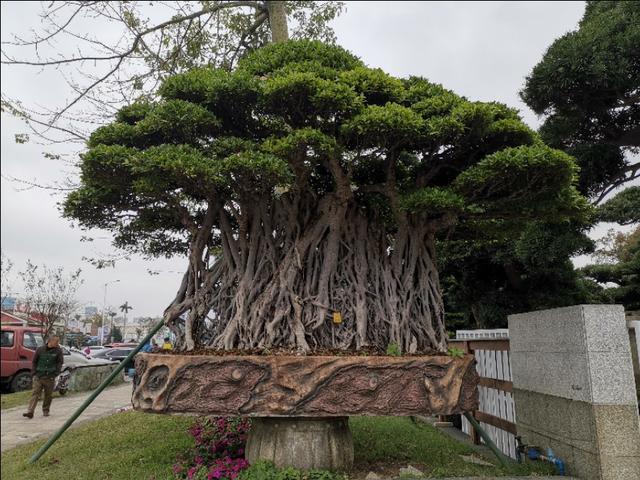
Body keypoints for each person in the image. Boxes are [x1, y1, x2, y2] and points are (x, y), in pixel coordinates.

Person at [23, 334, 64, 419]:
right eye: (56, 341)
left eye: (58, 341)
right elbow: (34, 361)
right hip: (38, 376)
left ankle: (46, 410)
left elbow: (60, 362)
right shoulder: (40, 350)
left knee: (48, 395)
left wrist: (56, 372)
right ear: (50, 341)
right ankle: (30, 411)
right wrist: (34, 373)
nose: (57, 342)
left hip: (50, 377)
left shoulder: (58, 351)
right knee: (35, 394)